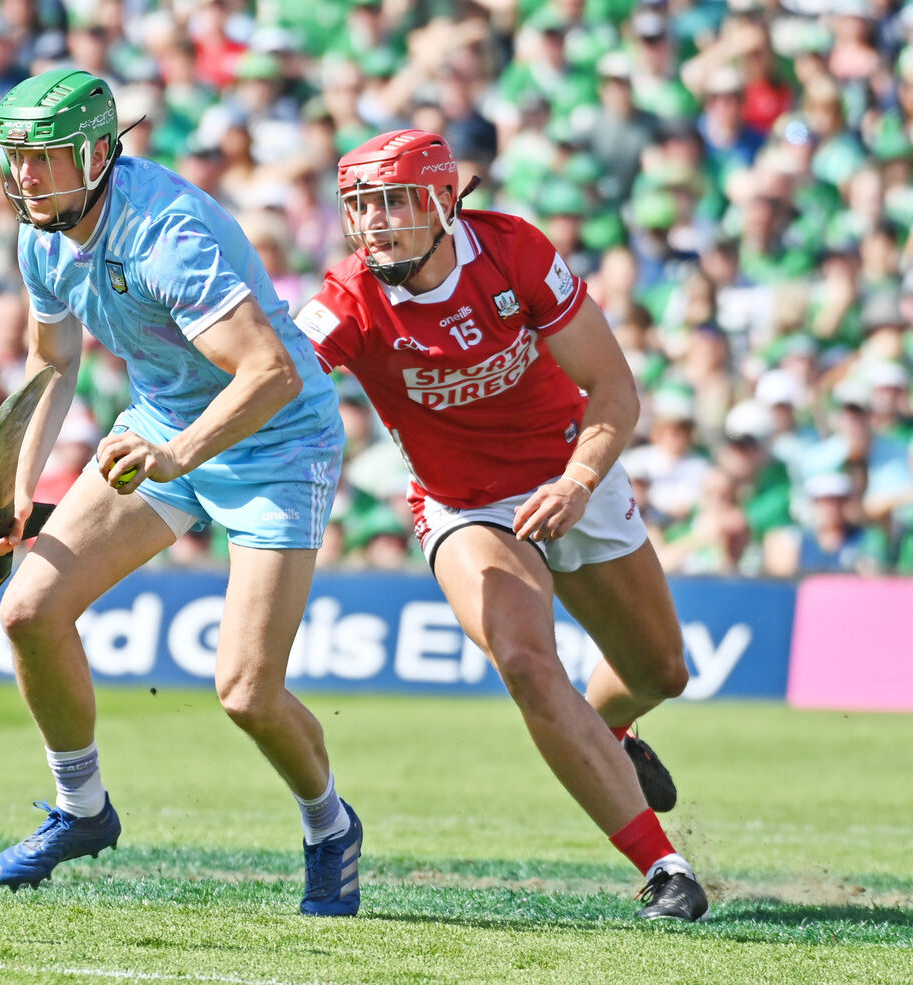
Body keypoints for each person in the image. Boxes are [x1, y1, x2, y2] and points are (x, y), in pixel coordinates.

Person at [295, 129, 709, 921]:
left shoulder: (514, 252)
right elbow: (273, 375)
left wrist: (580, 480)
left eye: (392, 203)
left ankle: (610, 735)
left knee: (661, 672)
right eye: (360, 208)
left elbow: (614, 387)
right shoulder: (349, 294)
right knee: (525, 659)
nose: (374, 224)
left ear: (444, 202)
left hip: (570, 472)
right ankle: (664, 866)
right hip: (462, 502)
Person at [0, 68, 360, 916]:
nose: (24, 178)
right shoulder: (42, 234)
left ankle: (330, 828)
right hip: (165, 427)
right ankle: (82, 810)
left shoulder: (168, 234)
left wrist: (176, 453)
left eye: (43, 159)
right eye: (16, 159)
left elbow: (267, 373)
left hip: (273, 440)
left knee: (246, 693)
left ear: (98, 154)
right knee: (28, 613)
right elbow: (51, 363)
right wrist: (20, 487)